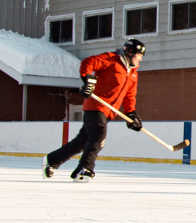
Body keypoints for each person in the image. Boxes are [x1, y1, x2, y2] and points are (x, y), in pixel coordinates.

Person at [43, 38, 146, 182]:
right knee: (98, 136)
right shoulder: (111, 60)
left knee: (81, 142)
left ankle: (52, 160)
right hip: (95, 107)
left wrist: (131, 114)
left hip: (109, 112)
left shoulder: (133, 73)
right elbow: (88, 62)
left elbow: (129, 96)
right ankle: (85, 168)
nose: (141, 59)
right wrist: (88, 80)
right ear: (129, 52)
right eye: (139, 55)